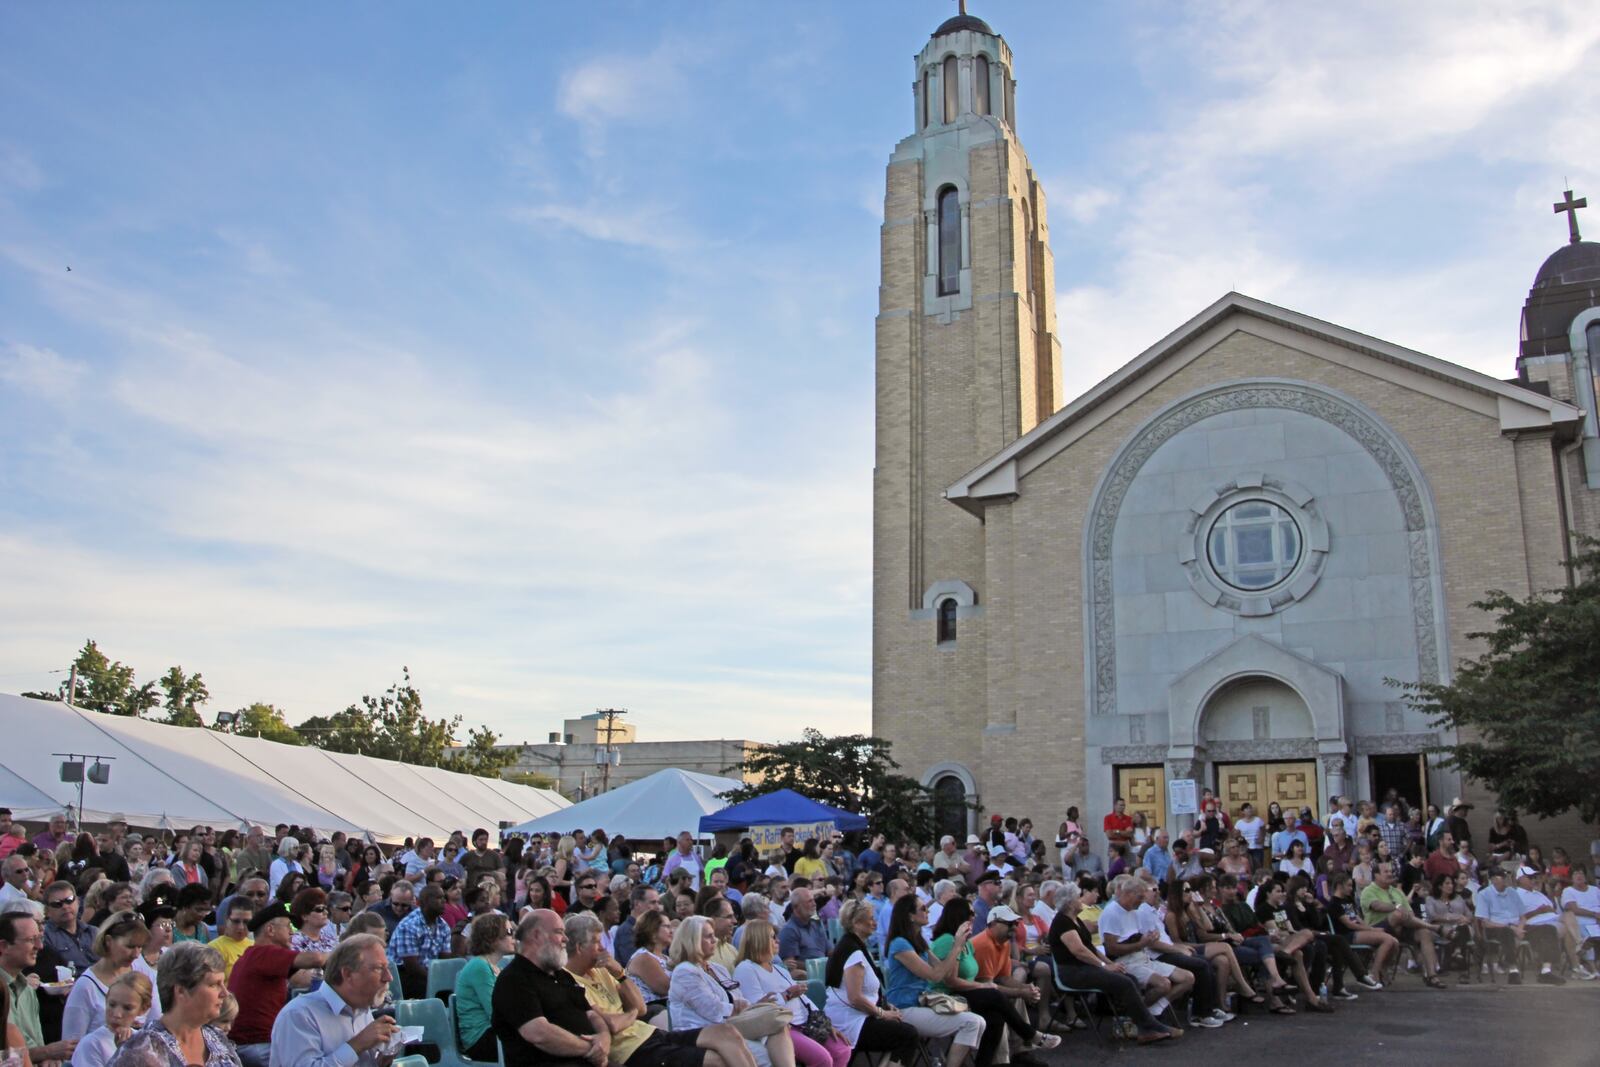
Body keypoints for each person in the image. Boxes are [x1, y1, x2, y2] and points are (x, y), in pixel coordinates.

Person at [1046, 881, 1178, 1044]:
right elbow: (1079, 951)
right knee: (1125, 983)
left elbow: (1091, 949)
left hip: (1084, 968)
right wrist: (1104, 966)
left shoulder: (1075, 920)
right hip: (1072, 972)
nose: (1081, 900)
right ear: (1070, 902)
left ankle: (1140, 1028)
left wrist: (1110, 964)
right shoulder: (1062, 922)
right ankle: (1151, 1026)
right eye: (1078, 897)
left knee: (1129, 978)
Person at [932, 899, 1059, 1060]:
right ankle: (1029, 1036)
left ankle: (1012, 1053)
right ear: (993, 924)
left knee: (996, 1018)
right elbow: (953, 982)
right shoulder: (955, 942)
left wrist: (1025, 989)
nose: (1014, 927)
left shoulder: (971, 943)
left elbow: (1004, 978)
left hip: (968, 991)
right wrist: (1016, 991)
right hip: (948, 995)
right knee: (998, 995)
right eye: (1009, 924)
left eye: (1015, 924)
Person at [667, 916, 796, 1067]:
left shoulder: (718, 969)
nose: (715, 940)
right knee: (763, 1054)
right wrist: (739, 1007)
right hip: (704, 1033)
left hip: (732, 1025)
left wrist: (752, 1007)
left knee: (778, 1026)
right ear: (692, 940)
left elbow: (739, 998)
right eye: (709, 936)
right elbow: (713, 1011)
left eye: (714, 935)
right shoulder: (685, 972)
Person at [879, 895, 987, 1067]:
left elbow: (943, 972)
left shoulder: (919, 940)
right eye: (923, 908)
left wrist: (957, 947)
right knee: (972, 1022)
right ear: (910, 916)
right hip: (904, 1008)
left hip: (921, 1002)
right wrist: (957, 945)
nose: (928, 911)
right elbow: (935, 975)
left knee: (979, 1022)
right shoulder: (900, 944)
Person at [268, 933, 397, 1067]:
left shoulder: (362, 1010)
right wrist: (358, 1044)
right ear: (347, 974)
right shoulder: (299, 1015)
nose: (388, 977)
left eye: (387, 968)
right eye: (378, 968)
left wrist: (381, 1061)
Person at [733, 919, 849, 1067]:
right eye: (772, 937)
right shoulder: (746, 969)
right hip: (782, 1027)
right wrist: (786, 995)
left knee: (842, 1050)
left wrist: (825, 1022)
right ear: (759, 939)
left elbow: (802, 999)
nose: (778, 940)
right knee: (822, 1059)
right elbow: (756, 1009)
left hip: (806, 1021)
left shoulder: (779, 969)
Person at [226, 902, 329, 1067]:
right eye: (288, 926)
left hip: (249, 1044)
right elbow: (316, 959)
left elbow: (303, 978)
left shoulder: (255, 956)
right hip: (257, 1045)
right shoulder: (265, 952)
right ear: (270, 930)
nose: (291, 932)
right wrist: (344, 953)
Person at [105, 942, 240, 1067]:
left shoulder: (218, 1039)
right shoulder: (140, 1052)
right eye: (214, 984)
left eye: (223, 983)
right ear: (181, 991)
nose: (225, 993)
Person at [1, 911, 79, 1065]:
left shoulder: (28, 991)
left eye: (40, 938)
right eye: (31, 940)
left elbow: (36, 1045)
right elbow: (5, 1059)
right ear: (4, 946)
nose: (40, 946)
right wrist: (46, 1052)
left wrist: (47, 1057)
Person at [63, 913, 148, 1040]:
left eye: (140, 947)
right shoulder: (85, 986)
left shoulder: (141, 970)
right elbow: (71, 1044)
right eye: (130, 946)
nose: (136, 954)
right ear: (109, 941)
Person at [1360, 861, 1444, 987]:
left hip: (1402, 928)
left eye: (1391, 871)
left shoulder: (1397, 892)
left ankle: (1432, 976)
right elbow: (1377, 905)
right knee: (1397, 914)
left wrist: (1403, 912)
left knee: (1424, 933)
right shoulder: (1368, 891)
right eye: (1386, 872)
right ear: (1376, 875)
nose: (1390, 874)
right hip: (1378, 929)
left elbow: (1410, 914)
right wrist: (1396, 907)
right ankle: (1433, 927)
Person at [454, 914, 514, 1062]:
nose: (513, 936)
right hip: (480, 1038)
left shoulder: (496, 967)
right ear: (492, 937)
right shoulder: (479, 966)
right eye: (509, 932)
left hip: (493, 1032)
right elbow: (496, 1012)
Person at [69, 971, 149, 1067]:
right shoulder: (90, 1045)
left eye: (127, 1008)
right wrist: (122, 1056)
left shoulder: (144, 1043)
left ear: (143, 1009)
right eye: (112, 1005)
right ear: (106, 1000)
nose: (117, 1014)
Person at [389, 884, 452, 1000]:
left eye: (444, 898)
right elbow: (411, 966)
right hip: (403, 975)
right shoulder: (409, 925)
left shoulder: (443, 926)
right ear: (424, 902)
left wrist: (442, 979)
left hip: (430, 973)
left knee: (454, 991)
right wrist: (435, 980)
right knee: (428, 991)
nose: (444, 901)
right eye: (439, 898)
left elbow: (445, 961)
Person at [1513, 866, 1567, 985]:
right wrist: (1538, 911)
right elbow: (1516, 918)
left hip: (1551, 919)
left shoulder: (1538, 894)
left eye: (1535, 877)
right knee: (1553, 929)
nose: (1534, 879)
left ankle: (1576, 957)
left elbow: (1553, 909)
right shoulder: (1515, 895)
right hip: (1532, 925)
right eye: (1530, 877)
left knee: (1570, 918)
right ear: (1520, 879)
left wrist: (1549, 907)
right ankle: (1547, 971)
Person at [624, 911, 675, 1018]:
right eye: (666, 926)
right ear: (652, 931)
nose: (672, 931)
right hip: (651, 1010)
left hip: (667, 1006)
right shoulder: (643, 957)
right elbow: (665, 988)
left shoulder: (666, 958)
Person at [41, 881, 97, 976]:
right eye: (57, 904)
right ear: (47, 911)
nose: (65, 906)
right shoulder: (45, 936)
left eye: (69, 900)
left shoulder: (94, 931)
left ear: (78, 902)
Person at [776, 890, 828, 981]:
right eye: (809, 901)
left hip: (826, 974)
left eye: (813, 900)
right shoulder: (789, 931)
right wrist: (818, 965)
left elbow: (830, 950)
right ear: (796, 907)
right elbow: (791, 966)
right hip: (810, 980)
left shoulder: (817, 924)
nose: (814, 904)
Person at [207, 900, 252, 983]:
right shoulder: (214, 949)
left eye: (246, 922)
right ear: (226, 920)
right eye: (236, 921)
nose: (241, 927)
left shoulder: (254, 945)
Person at [288, 889, 338, 955]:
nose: (326, 912)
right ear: (304, 916)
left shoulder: (331, 939)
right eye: (320, 909)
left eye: (325, 908)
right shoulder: (294, 942)